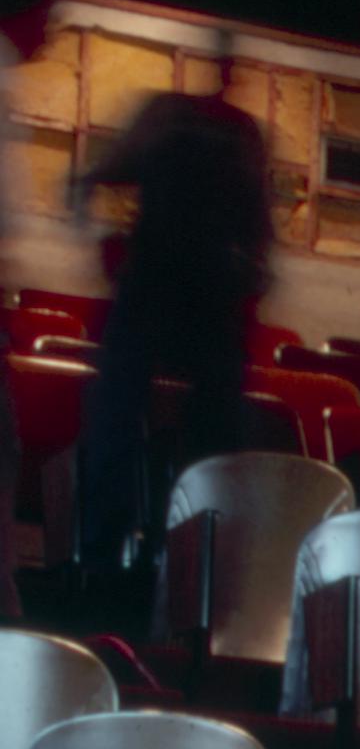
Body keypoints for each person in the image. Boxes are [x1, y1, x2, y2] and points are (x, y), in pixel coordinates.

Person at [68, 37, 271, 601]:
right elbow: (259, 228)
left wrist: (91, 226)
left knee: (122, 419)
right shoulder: (235, 133)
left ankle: (111, 557)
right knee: (208, 437)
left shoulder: (172, 117)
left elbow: (101, 174)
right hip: (201, 297)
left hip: (160, 287)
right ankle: (191, 565)